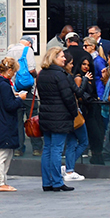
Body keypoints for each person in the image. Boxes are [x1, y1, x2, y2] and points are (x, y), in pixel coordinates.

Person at [37, 46, 79, 191]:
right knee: (56, 149)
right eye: (61, 56)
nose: (64, 58)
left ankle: (47, 182)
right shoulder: (60, 75)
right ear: (54, 58)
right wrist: (74, 113)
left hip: (46, 114)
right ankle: (57, 182)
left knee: (47, 148)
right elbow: (68, 97)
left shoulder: (42, 74)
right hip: (60, 116)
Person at [0, 57, 28, 191]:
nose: (15, 74)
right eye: (14, 71)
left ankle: (2, 181)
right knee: (3, 153)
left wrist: (13, 95)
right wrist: (20, 99)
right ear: (9, 71)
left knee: (6, 152)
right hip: (4, 122)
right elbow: (9, 105)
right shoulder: (4, 85)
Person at [6, 35, 42, 157]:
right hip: (28, 91)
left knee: (18, 121)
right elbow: (31, 69)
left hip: (15, 89)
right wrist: (36, 75)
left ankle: (18, 148)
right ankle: (36, 148)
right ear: (29, 43)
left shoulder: (10, 50)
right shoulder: (28, 50)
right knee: (33, 119)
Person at [64, 56, 96, 181]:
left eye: (87, 64)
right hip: (75, 112)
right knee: (83, 141)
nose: (85, 67)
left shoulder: (68, 77)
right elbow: (79, 93)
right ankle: (69, 167)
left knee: (72, 142)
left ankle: (69, 168)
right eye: (83, 64)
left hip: (70, 112)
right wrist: (84, 80)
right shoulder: (76, 78)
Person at [83, 36, 109, 164]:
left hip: (98, 93)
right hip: (95, 93)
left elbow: (103, 77)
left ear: (93, 46)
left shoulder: (97, 61)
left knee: (100, 122)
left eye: (86, 46)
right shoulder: (93, 59)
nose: (84, 48)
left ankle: (99, 150)